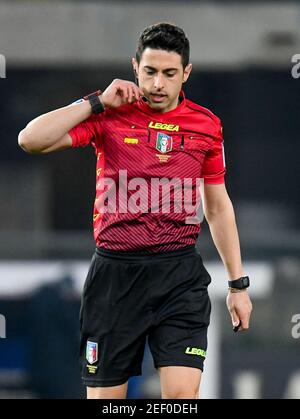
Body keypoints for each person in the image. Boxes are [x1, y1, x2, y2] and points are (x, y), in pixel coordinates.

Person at [18, 22, 252, 399]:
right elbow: (30, 140)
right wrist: (95, 102)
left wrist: (237, 284)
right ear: (135, 68)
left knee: (180, 398)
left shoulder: (206, 126)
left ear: (186, 74)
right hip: (115, 277)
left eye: (169, 73)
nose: (158, 83)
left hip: (178, 276)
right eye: (150, 72)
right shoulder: (109, 115)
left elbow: (218, 206)